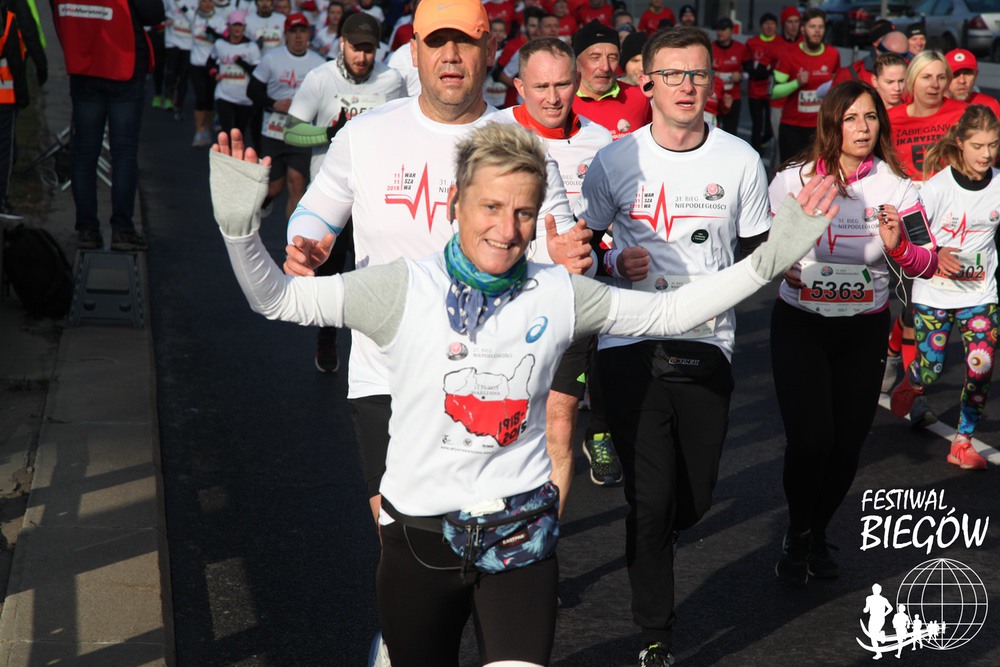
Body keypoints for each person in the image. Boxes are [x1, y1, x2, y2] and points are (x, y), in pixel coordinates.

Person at [211, 120, 838, 667]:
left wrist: (766, 262)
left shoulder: (560, 293)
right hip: (419, 539)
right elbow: (278, 300)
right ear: (455, 204)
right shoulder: (399, 288)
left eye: (523, 213)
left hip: (521, 537)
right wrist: (240, 233)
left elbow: (669, 314)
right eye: (490, 207)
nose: (507, 230)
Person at [281, 0, 588, 533]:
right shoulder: (365, 134)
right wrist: (305, 242)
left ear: (489, 50)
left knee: (479, 534)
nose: (450, 55)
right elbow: (314, 213)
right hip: (386, 370)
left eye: (465, 41)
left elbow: (556, 241)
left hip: (486, 374)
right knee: (399, 530)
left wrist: (565, 260)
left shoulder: (523, 144)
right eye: (436, 42)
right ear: (413, 53)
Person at [576, 26, 777, 665]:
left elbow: (756, 255)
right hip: (628, 339)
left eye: (697, 74)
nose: (685, 87)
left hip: (707, 342)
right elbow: (587, 245)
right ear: (647, 83)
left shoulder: (740, 159)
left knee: (692, 501)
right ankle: (654, 633)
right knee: (650, 496)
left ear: (711, 82)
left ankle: (667, 524)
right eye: (672, 75)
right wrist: (614, 262)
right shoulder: (616, 160)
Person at [768, 80, 937, 586]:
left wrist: (898, 246)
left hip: (863, 330)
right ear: (831, 124)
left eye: (870, 117)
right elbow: (762, 247)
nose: (862, 128)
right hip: (801, 325)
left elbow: (927, 262)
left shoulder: (898, 187)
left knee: (845, 446)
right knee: (811, 440)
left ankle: (816, 531)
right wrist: (782, 266)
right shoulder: (793, 179)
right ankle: (798, 529)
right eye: (850, 119)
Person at [506, 37, 615, 492]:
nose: (553, 98)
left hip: (574, 297)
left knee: (561, 418)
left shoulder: (601, 140)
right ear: (519, 87)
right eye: (541, 86)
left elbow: (613, 221)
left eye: (563, 84)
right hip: (508, 302)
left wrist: (611, 256)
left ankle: (547, 530)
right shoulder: (494, 133)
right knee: (507, 422)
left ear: (578, 81)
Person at [285, 10, 404, 371]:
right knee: (331, 273)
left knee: (375, 273)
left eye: (369, 49)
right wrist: (327, 133)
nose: (362, 56)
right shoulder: (320, 78)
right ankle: (327, 338)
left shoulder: (392, 80)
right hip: (332, 197)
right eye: (355, 48)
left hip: (375, 195)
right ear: (341, 44)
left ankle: (378, 351)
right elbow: (291, 131)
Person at [890, 105, 1000, 470]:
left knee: (981, 366)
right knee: (931, 369)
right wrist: (936, 253)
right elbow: (910, 229)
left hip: (980, 293)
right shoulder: (938, 186)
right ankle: (913, 382)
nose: (986, 154)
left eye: (993, 145)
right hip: (934, 292)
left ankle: (963, 442)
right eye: (978, 146)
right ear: (960, 143)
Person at [881, 51, 969, 408]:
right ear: (911, 81)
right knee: (913, 303)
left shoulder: (960, 114)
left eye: (940, 77)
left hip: (949, 221)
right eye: (926, 77)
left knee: (921, 307)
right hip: (908, 220)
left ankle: (893, 351)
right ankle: (916, 397)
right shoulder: (891, 119)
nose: (934, 84)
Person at [53, 0, 164, 250]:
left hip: (84, 64)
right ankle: (122, 231)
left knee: (84, 153)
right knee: (123, 152)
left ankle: (87, 231)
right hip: (123, 67)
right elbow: (154, 13)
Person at [248, 12, 325, 219]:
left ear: (309, 34)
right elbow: (252, 90)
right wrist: (274, 103)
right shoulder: (271, 58)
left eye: (302, 31)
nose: (298, 36)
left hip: (302, 132)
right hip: (273, 131)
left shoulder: (319, 63)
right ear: (285, 35)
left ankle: (293, 234)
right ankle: (265, 201)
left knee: (297, 181)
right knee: (274, 187)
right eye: (293, 32)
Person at [772, 7, 840, 162]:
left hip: (820, 127)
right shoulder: (789, 55)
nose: (817, 31)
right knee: (790, 172)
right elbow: (774, 91)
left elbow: (835, 85)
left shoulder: (832, 54)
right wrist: (797, 83)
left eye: (820, 27)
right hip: (792, 127)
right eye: (812, 27)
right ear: (803, 29)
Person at [572, 20, 650, 141]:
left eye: (612, 58)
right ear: (576, 62)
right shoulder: (562, 102)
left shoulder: (639, 98)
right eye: (595, 57)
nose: (605, 67)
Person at [209, 11, 262, 135]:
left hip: (244, 97)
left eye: (240, 25)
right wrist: (214, 73)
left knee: (239, 133)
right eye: (234, 25)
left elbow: (257, 72)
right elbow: (210, 62)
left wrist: (241, 62)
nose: (237, 28)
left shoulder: (251, 47)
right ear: (228, 26)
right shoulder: (220, 44)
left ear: (244, 27)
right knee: (227, 131)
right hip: (223, 94)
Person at [0, 3, 28, 221]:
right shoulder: (7, 19)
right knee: (4, 152)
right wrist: (22, 94)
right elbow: (16, 61)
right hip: (4, 97)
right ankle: (1, 201)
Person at [189, 0, 228, 147]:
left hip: (212, 64)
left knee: (210, 99)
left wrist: (214, 34)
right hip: (196, 63)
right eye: (204, 1)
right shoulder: (193, 16)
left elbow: (225, 39)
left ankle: (206, 129)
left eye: (210, 1)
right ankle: (198, 131)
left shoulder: (220, 20)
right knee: (200, 98)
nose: (207, 4)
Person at [768, 5, 802, 164]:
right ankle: (775, 172)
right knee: (780, 143)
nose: (793, 25)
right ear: (783, 24)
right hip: (779, 104)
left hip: (799, 104)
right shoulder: (775, 45)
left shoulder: (805, 44)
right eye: (790, 22)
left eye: (796, 21)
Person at [745, 12, 778, 155]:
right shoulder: (752, 43)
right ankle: (755, 152)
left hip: (773, 91)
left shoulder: (780, 43)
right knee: (757, 124)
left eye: (772, 24)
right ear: (761, 27)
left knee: (771, 126)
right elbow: (746, 64)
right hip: (755, 90)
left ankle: (763, 141)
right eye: (766, 23)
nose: (769, 26)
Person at [831, 27, 908, 87]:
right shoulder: (850, 74)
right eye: (890, 58)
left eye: (901, 58)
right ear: (878, 51)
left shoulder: (910, 72)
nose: (897, 88)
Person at [711, 17, 748, 137]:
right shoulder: (710, 48)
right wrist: (712, 73)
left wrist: (741, 76)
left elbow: (749, 72)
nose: (719, 33)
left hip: (733, 96)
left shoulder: (741, 48)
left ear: (731, 31)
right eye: (718, 30)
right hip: (714, 96)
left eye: (723, 29)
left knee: (731, 132)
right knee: (711, 130)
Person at [944, 49, 1000, 117]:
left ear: (976, 75)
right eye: (955, 74)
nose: (962, 81)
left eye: (967, 73)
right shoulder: (934, 106)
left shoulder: (990, 106)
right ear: (943, 77)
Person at [163, 0, 196, 116]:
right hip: (172, 40)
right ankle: (168, 96)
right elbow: (161, 11)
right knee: (171, 72)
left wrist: (181, 4)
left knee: (184, 75)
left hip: (188, 43)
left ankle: (179, 104)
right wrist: (165, 20)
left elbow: (195, 20)